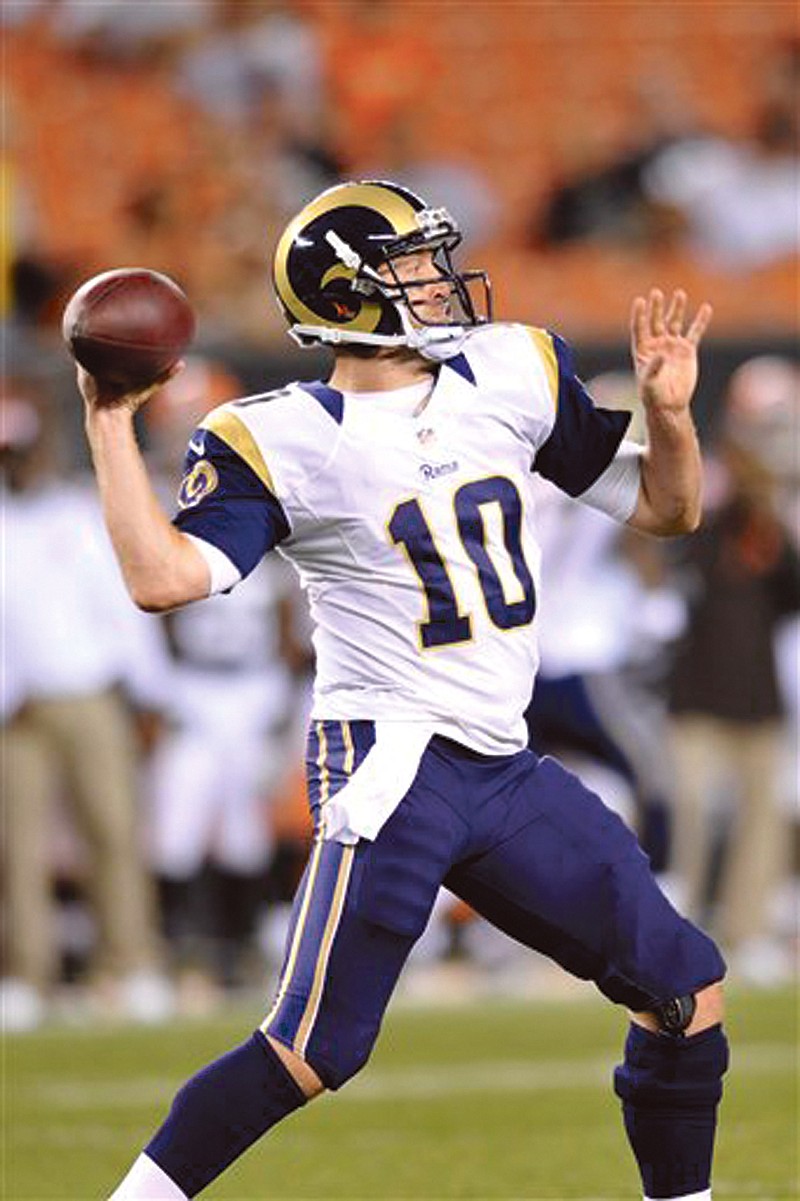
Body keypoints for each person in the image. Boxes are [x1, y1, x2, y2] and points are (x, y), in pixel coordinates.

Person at [78, 180, 727, 1201]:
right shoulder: (285, 435)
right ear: (348, 295)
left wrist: (670, 413)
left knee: (682, 986)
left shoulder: (511, 367)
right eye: (412, 262)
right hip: (391, 760)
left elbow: (663, 508)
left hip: (500, 762)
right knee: (310, 1049)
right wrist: (109, 419)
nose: (437, 276)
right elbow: (163, 579)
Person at [0, 387, 173, 1030]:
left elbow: (123, 605)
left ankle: (132, 966)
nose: (14, 463)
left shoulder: (79, 513)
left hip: (92, 694)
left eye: (19, 450)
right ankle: (26, 975)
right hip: (16, 708)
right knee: (20, 849)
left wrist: (150, 692)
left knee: (115, 832)